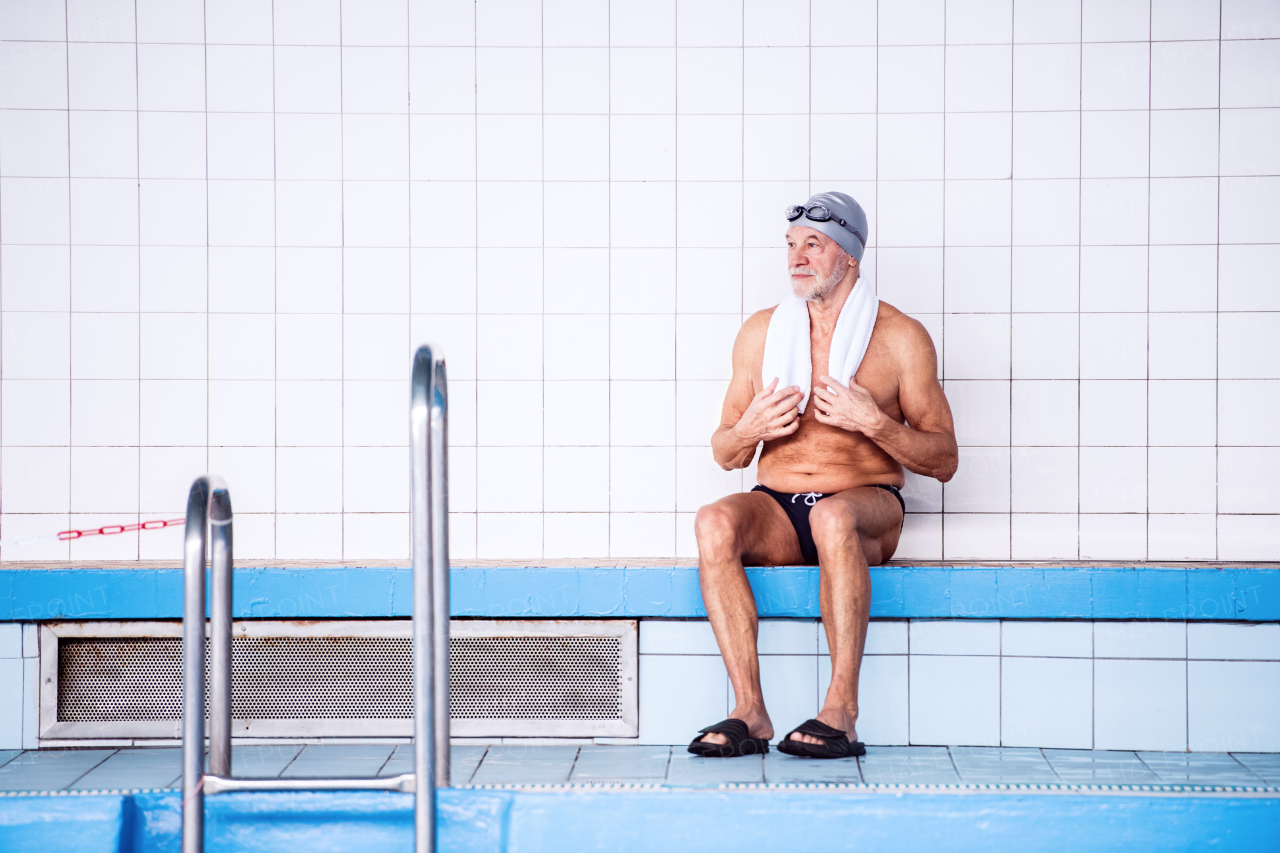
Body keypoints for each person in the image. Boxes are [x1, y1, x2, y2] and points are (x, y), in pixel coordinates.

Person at [687, 192, 958, 759]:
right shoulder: (762, 332)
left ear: (852, 256)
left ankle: (841, 710)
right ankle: (750, 711)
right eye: (791, 245)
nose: (797, 257)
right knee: (713, 522)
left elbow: (943, 459)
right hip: (779, 507)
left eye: (814, 244)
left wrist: (876, 424)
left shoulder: (899, 337)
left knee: (834, 516)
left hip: (865, 506)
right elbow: (724, 452)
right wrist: (748, 429)